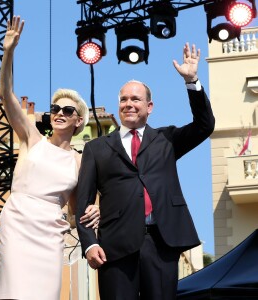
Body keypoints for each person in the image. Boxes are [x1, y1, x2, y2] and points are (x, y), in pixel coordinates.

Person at [75, 42, 215, 300]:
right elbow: (83, 202)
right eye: (124, 99)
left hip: (162, 242)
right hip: (114, 246)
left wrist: (192, 81)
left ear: (149, 107)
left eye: (136, 99)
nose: (129, 104)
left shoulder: (167, 140)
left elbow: (205, 125)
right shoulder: (96, 148)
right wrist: (89, 243)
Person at [0, 16, 100, 300]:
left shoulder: (79, 161)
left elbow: (79, 213)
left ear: (78, 121)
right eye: (56, 108)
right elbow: (6, 94)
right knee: (14, 292)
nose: (60, 113)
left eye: (67, 111)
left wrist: (95, 211)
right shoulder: (32, 137)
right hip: (18, 223)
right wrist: (9, 52)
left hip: (51, 233)